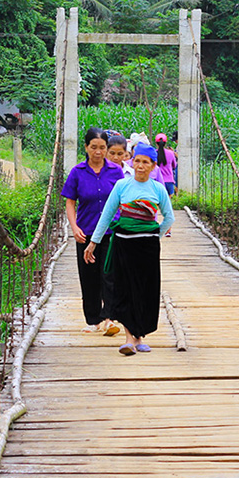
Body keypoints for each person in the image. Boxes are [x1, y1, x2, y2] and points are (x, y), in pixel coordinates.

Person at [84, 143, 174, 355]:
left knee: (145, 290)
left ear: (153, 166)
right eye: (137, 161)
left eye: (145, 162)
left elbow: (169, 217)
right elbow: (106, 215)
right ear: (132, 162)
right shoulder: (122, 186)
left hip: (148, 248)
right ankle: (128, 339)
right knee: (125, 289)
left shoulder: (157, 189)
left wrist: (154, 236)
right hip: (123, 245)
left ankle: (140, 335)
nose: (140, 166)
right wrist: (93, 242)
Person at [61, 127, 124, 336]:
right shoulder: (77, 173)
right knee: (89, 277)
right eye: (94, 147)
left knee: (110, 274)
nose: (98, 152)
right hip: (85, 231)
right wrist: (74, 226)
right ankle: (94, 319)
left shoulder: (116, 171)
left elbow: (124, 200)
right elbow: (70, 202)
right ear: (86, 147)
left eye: (102, 148)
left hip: (110, 232)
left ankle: (109, 318)